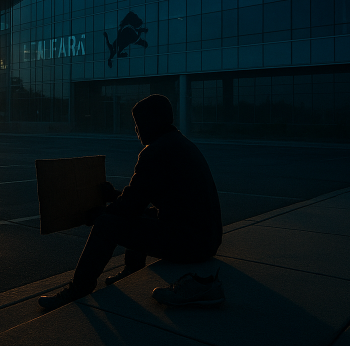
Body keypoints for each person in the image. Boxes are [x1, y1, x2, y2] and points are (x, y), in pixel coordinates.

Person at [38, 94, 223, 310]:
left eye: (139, 124)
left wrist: (100, 214)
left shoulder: (154, 152)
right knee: (143, 215)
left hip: (189, 244)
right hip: (205, 239)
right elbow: (138, 199)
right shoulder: (179, 144)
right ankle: (131, 269)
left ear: (152, 123)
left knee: (106, 225)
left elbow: (131, 206)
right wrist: (113, 196)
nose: (137, 131)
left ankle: (79, 287)